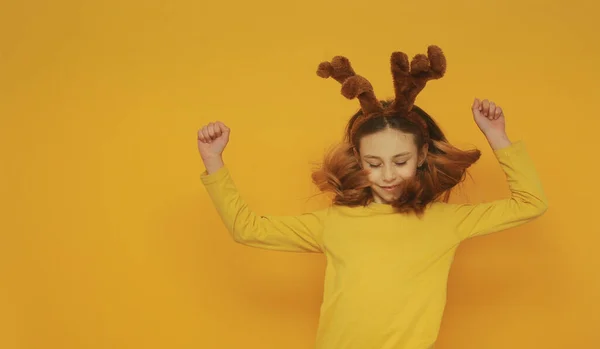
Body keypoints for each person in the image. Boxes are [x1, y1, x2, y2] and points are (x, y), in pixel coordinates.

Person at [197, 45, 548, 349]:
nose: (389, 175)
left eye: (401, 161)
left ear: (422, 155)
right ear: (357, 160)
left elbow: (531, 203)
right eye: (374, 164)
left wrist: (496, 135)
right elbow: (248, 228)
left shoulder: (446, 221)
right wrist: (214, 160)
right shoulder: (332, 222)